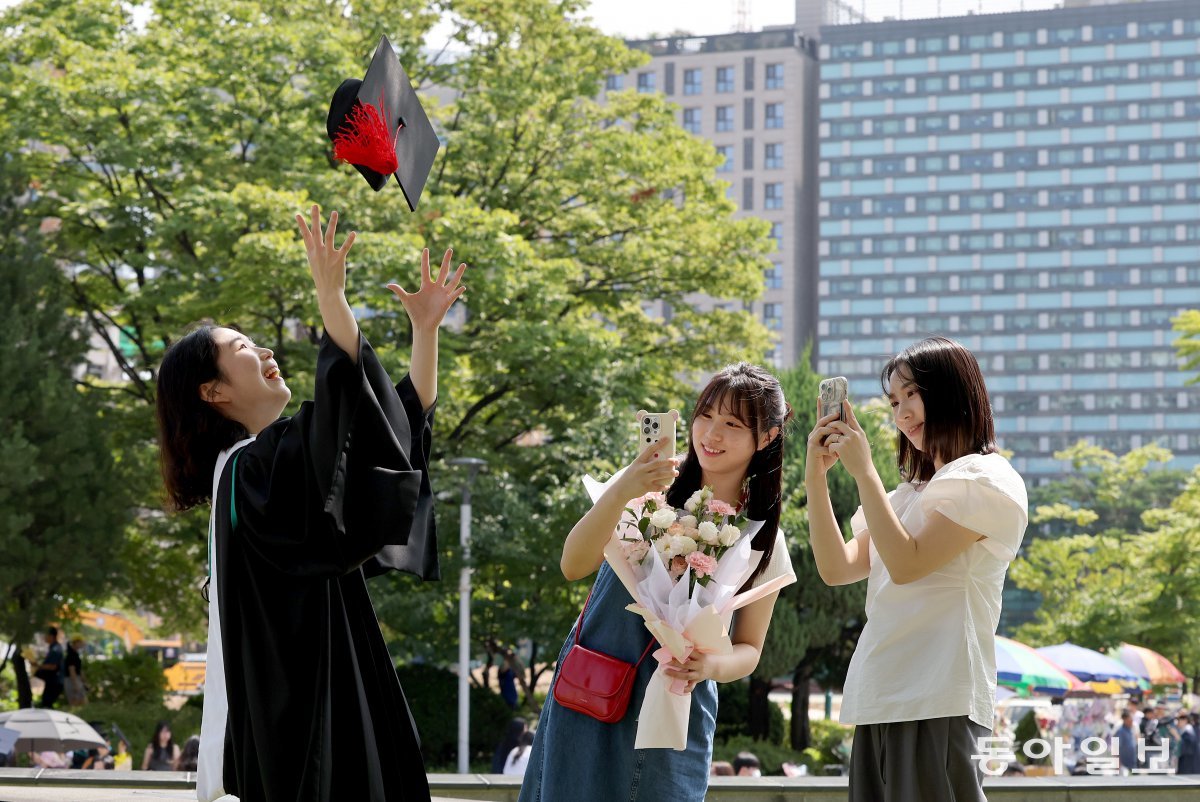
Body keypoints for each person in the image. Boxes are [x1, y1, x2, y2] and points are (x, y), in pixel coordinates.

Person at [155, 205, 465, 802]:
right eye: (243, 347)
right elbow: (346, 422)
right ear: (213, 391)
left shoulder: (262, 465)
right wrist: (331, 297)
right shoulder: (248, 471)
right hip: (302, 707)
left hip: (332, 671)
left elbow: (392, 432)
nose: (266, 352)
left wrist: (424, 332)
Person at [520, 363, 796, 802]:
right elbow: (573, 565)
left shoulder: (760, 536)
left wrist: (710, 667)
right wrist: (623, 488)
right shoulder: (646, 490)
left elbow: (749, 649)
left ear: (766, 438)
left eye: (731, 424)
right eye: (705, 416)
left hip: (675, 706)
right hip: (591, 689)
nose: (711, 434)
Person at [806, 336, 1029, 802]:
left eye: (913, 394)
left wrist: (865, 473)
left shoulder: (987, 479)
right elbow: (836, 567)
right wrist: (816, 474)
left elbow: (908, 564)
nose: (902, 413)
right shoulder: (907, 494)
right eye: (894, 401)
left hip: (940, 694)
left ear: (954, 392)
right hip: (881, 693)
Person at [31, 626, 64, 708]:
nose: (44, 637)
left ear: (51, 636)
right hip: (52, 682)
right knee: (46, 703)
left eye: (46, 635)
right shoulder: (53, 648)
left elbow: (52, 666)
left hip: (55, 683)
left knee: (47, 705)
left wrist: (38, 666)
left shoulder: (56, 649)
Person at [64, 637, 86, 706]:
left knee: (81, 701)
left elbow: (79, 669)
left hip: (76, 680)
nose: (82, 644)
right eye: (80, 642)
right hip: (72, 680)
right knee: (75, 703)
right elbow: (72, 670)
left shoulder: (75, 654)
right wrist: (75, 684)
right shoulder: (71, 655)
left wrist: (84, 681)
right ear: (75, 643)